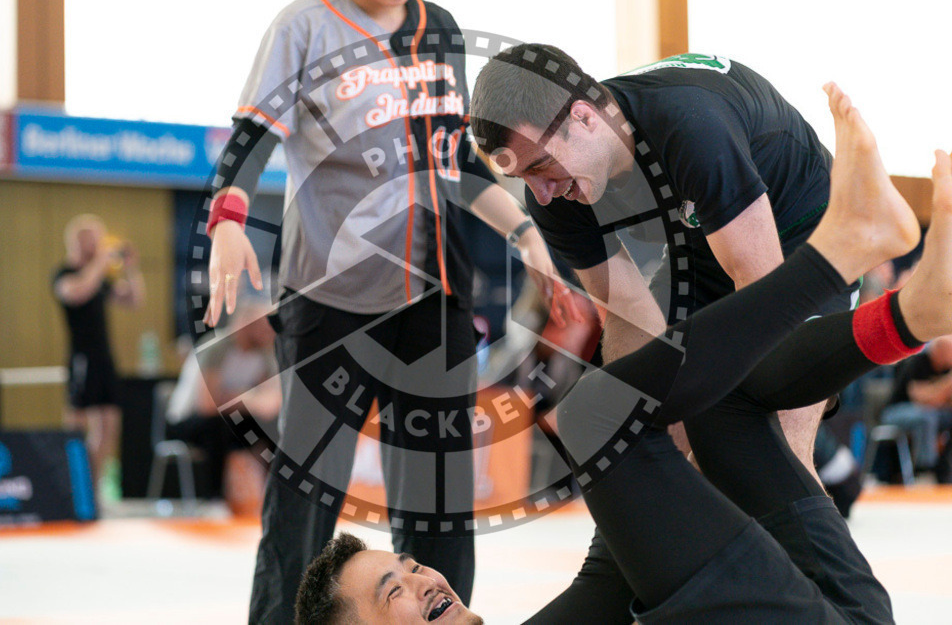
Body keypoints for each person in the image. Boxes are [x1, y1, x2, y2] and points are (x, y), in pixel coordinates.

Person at [294, 84, 951, 624]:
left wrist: (654, 453)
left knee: (693, 401)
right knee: (593, 415)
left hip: (841, 606)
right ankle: (845, 258)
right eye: (394, 590)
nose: (423, 575)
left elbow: (612, 565)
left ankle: (912, 310)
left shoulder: (676, 130)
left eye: (408, 565)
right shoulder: (595, 179)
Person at [200, 0, 580, 623]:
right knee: (306, 495)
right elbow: (253, 135)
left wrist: (524, 233)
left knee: (439, 500)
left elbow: (455, 157)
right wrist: (229, 217)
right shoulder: (304, 27)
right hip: (328, 296)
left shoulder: (440, 29)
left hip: (437, 297)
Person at [469, 45, 879, 620]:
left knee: (770, 443)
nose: (539, 195)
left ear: (584, 117)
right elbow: (630, 315)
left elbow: (763, 301)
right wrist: (645, 442)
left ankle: (846, 612)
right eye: (520, 178)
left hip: (797, 238)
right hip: (702, 252)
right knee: (648, 447)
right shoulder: (557, 190)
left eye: (539, 169)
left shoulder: (691, 126)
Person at [53, 214, 145, 500]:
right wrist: (101, 262)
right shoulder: (65, 274)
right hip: (82, 358)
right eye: (91, 239)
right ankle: (71, 487)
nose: (96, 245)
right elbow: (77, 292)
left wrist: (130, 269)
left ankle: (93, 488)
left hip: (104, 359)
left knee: (109, 425)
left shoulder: (101, 278)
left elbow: (134, 301)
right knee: (77, 426)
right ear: (77, 242)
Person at [166, 297, 282, 500]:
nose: (270, 332)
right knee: (218, 427)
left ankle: (272, 497)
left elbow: (271, 403)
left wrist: (236, 398)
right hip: (187, 420)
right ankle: (215, 498)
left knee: (273, 428)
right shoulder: (217, 348)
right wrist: (248, 399)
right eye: (265, 326)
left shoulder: (264, 355)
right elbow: (207, 406)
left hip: (231, 417)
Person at [880, 334, 952, 480]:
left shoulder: (946, 368)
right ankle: (925, 471)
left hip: (930, 413)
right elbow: (921, 400)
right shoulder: (918, 362)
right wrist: (947, 384)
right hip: (895, 412)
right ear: (939, 349)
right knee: (926, 417)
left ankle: (944, 467)